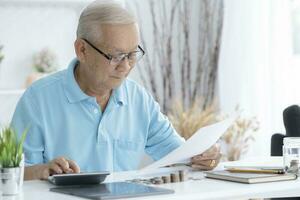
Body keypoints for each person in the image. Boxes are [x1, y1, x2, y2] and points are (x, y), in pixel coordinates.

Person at [11, 0, 221, 181]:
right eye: (116, 56)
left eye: (132, 55)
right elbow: (10, 175)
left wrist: (202, 155)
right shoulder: (37, 100)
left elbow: (179, 154)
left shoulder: (138, 99)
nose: (126, 67)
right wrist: (42, 171)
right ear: (82, 50)